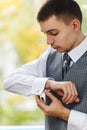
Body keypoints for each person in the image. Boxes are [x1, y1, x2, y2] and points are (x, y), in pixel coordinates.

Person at [4, 0, 87, 130]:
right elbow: (9, 81)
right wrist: (49, 83)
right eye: (46, 34)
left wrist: (65, 114)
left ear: (75, 25)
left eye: (54, 33)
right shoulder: (50, 55)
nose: (49, 41)